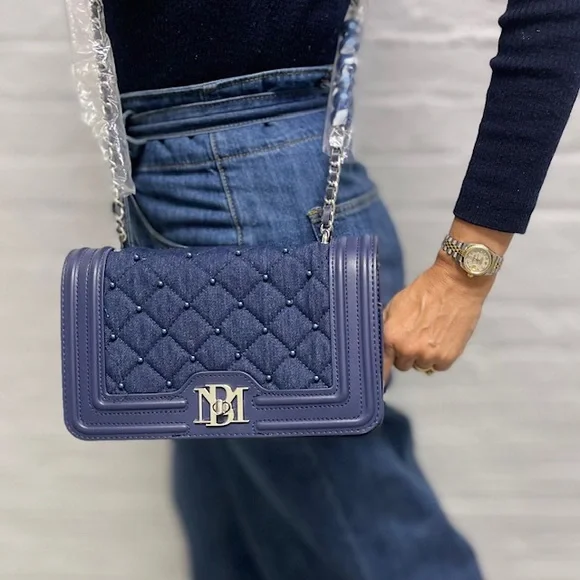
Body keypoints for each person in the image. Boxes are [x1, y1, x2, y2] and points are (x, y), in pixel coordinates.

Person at [99, 1, 580, 578]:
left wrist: (464, 271)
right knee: (233, 550)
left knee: (387, 554)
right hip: (177, 183)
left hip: (258, 202)